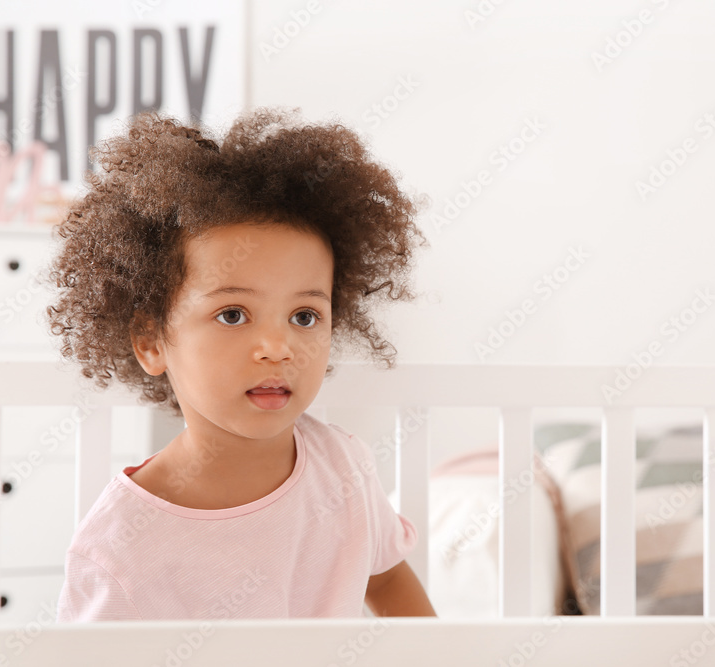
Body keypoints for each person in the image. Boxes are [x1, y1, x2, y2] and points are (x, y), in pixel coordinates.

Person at [46, 108, 435, 620]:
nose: (277, 346)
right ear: (151, 341)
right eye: (233, 314)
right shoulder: (118, 548)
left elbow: (385, 581)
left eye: (304, 315)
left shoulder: (344, 468)